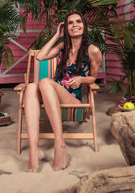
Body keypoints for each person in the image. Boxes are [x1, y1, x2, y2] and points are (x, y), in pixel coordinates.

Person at [23, 12, 102, 172]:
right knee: (31, 87)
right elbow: (40, 56)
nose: (75, 25)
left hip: (73, 99)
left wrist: (81, 79)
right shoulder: (62, 47)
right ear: (66, 28)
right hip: (50, 96)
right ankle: (34, 149)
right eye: (70, 23)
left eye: (78, 21)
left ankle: (60, 144)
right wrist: (56, 35)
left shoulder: (92, 50)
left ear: (84, 26)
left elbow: (93, 78)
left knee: (44, 82)